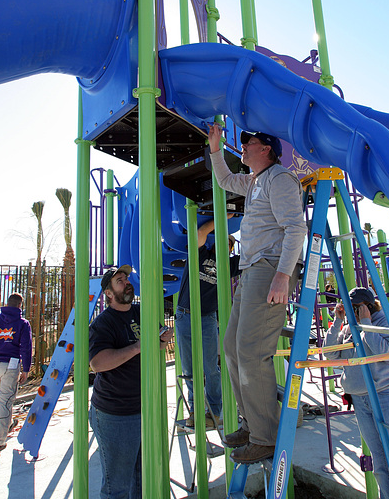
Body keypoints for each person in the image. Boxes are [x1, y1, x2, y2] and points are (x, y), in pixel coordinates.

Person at [208, 125, 307, 463]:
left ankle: (265, 436)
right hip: (252, 269)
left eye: (248, 143)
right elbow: (223, 180)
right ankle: (252, 424)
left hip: (270, 268)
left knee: (251, 352)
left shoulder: (279, 178)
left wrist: (282, 275)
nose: (243, 148)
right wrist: (215, 148)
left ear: (266, 148)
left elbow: (295, 227)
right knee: (232, 348)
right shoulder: (253, 182)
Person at [89, 264, 173, 499]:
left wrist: (163, 339)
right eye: (119, 281)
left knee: (140, 480)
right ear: (108, 293)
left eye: (126, 278)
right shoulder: (103, 323)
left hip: (142, 408)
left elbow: (153, 342)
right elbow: (98, 363)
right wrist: (137, 347)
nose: (126, 283)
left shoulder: (139, 312)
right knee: (117, 486)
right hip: (115, 414)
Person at [324, 287, 389, 498]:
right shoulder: (348, 327)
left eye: (356, 308)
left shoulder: (383, 323)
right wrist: (338, 322)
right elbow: (330, 354)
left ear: (367, 307)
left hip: (388, 396)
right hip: (361, 400)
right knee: (380, 463)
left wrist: (366, 324)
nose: (352, 312)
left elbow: (383, 352)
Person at [175, 218, 241, 428]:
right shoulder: (200, 254)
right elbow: (200, 232)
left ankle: (214, 411)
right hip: (186, 315)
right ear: (215, 243)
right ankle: (195, 410)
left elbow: (253, 255)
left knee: (211, 367)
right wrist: (223, 218)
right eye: (222, 242)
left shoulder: (229, 265)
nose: (225, 247)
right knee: (189, 367)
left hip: (207, 318)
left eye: (229, 245)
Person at [0, 292, 32, 453]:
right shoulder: (22, 323)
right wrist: (26, 370)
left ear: (7, 303)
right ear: (20, 305)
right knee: (6, 400)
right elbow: (26, 348)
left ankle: (8, 424)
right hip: (10, 365)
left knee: (2, 396)